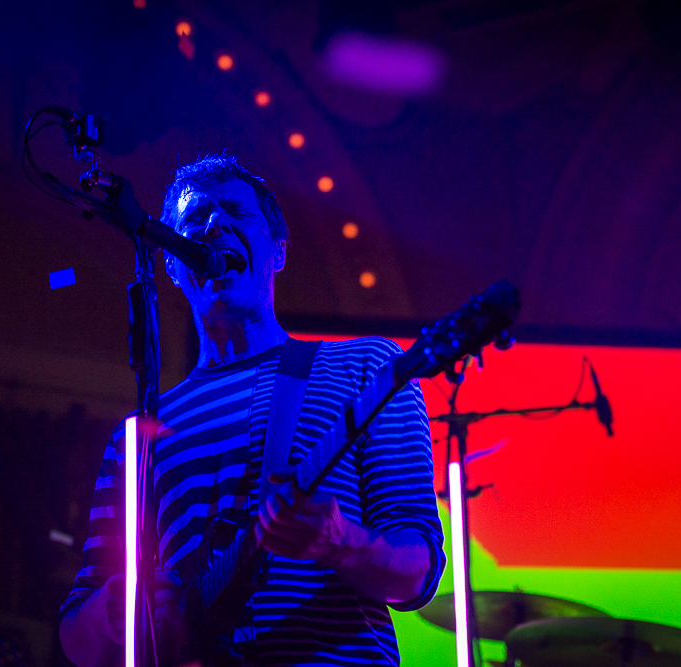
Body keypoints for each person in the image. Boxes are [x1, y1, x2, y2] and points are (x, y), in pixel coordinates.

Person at [57, 155, 445, 667]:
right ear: (173, 265)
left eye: (236, 212)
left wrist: (340, 543)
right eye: (195, 221)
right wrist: (113, 611)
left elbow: (417, 571)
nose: (214, 224)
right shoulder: (137, 438)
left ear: (278, 251)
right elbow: (75, 638)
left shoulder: (367, 367)